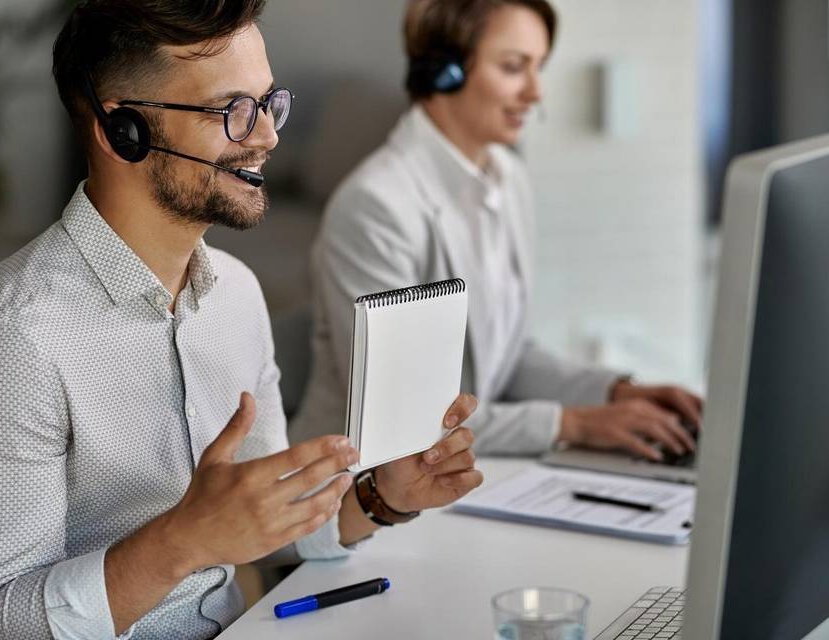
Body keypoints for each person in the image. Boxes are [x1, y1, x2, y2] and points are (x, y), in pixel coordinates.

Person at [0, 1, 484, 638]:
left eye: (267, 103)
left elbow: (268, 524)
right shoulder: (9, 338)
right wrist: (182, 542)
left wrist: (383, 497)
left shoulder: (237, 296)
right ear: (123, 131)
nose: (268, 137)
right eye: (233, 112)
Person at [291, 0, 702, 461]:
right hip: (353, 492)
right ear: (442, 72)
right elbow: (404, 414)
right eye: (513, 67)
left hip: (463, 474)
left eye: (538, 68)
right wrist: (575, 424)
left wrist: (614, 393)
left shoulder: (508, 179)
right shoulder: (376, 206)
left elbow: (508, 359)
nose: (536, 92)